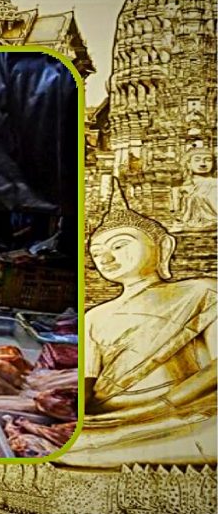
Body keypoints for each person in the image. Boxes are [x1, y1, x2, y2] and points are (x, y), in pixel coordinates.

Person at [60, 177, 215, 468]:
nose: (106, 258)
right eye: (96, 254)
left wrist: (166, 403)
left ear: (164, 247)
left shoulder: (203, 292)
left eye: (119, 245)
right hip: (112, 420)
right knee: (69, 444)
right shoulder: (94, 316)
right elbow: (87, 383)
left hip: (185, 412)